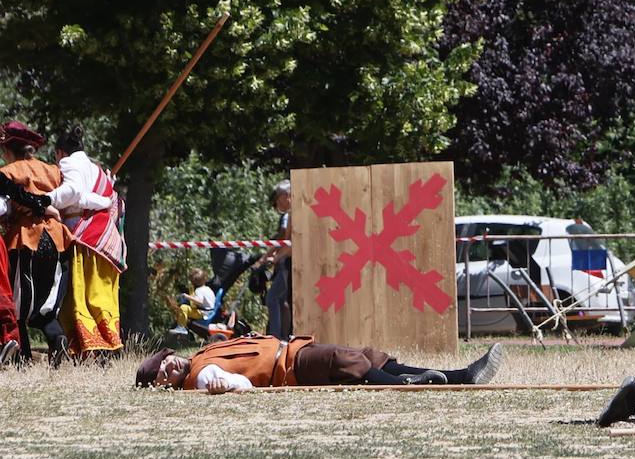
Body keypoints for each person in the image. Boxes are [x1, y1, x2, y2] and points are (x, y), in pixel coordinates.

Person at [136, 337, 505, 392]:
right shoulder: (202, 376)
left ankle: (461, 376)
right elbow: (243, 385)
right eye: (164, 374)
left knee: (369, 357)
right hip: (290, 368)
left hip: (293, 349)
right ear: (164, 385)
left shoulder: (200, 355)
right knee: (342, 361)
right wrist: (225, 386)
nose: (170, 366)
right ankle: (406, 384)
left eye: (166, 361)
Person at [0, 121, 73, 367]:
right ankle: (58, 340)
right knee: (47, 302)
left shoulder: (10, 171)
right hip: (55, 237)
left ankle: (23, 358)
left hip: (26, 238)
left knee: (20, 303)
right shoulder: (52, 170)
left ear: (9, 149)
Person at [48, 125, 125, 358]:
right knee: (101, 294)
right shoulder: (98, 170)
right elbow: (105, 199)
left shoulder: (68, 164)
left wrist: (43, 199)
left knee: (82, 295)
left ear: (60, 152)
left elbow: (72, 192)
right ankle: (108, 346)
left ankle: (90, 347)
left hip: (86, 239)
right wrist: (99, 201)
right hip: (106, 240)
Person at [262, 180, 292, 339]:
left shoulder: (289, 215)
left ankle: (276, 336)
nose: (277, 202)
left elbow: (288, 240)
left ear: (286, 196)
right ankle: (284, 336)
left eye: (278, 198)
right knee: (283, 300)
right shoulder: (291, 214)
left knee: (273, 297)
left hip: (288, 262)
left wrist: (272, 257)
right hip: (286, 260)